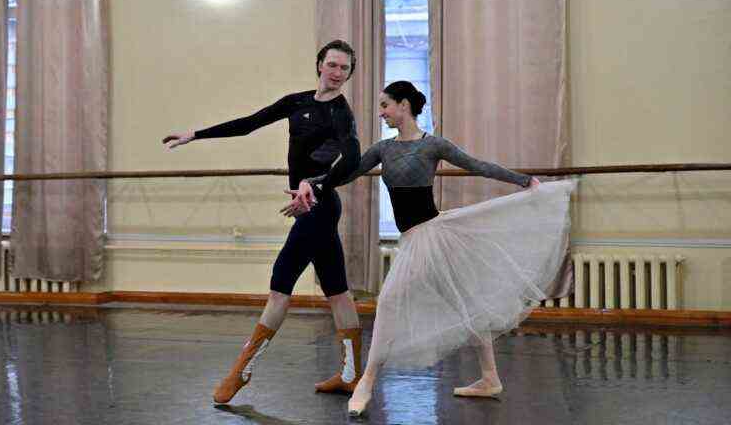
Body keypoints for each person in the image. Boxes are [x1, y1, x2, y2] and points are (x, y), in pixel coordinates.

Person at [283, 80, 576, 416]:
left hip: (434, 235)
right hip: (414, 239)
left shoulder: (432, 145)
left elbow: (477, 165)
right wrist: (313, 183)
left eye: (385, 106)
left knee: (394, 302)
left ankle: (366, 382)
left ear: (403, 105)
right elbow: (344, 175)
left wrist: (524, 181)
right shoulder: (383, 149)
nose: (382, 113)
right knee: (462, 303)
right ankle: (490, 377)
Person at [163, 40, 365, 404]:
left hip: (319, 206)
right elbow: (249, 124)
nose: (336, 74)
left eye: (344, 69)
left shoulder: (341, 113)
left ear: (349, 74)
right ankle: (351, 375)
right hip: (311, 206)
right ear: (319, 64)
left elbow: (351, 161)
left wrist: (313, 182)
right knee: (337, 290)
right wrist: (195, 135)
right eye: (332, 65)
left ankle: (241, 370)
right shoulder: (297, 102)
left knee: (279, 287)